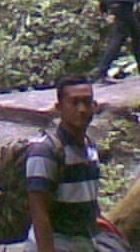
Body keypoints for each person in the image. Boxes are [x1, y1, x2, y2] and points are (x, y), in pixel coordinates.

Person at [26, 74, 104, 252]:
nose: (82, 109)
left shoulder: (90, 147)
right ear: (59, 107)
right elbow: (39, 213)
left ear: (94, 106)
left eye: (87, 102)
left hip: (85, 242)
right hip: (57, 243)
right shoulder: (45, 151)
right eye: (74, 102)